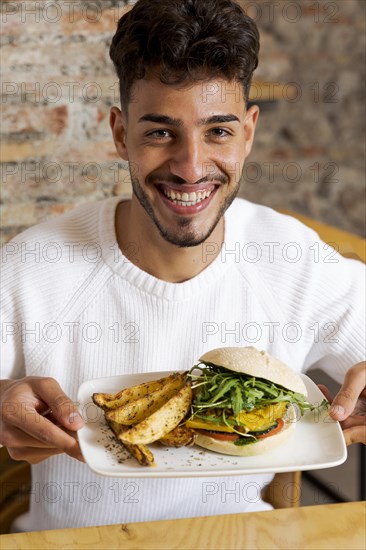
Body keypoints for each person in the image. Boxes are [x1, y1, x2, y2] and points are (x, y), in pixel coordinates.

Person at [1, 0, 365, 532]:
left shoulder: (294, 257)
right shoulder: (34, 265)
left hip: (240, 539)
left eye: (217, 131)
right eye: (160, 132)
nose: (190, 167)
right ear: (121, 134)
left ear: (248, 132)